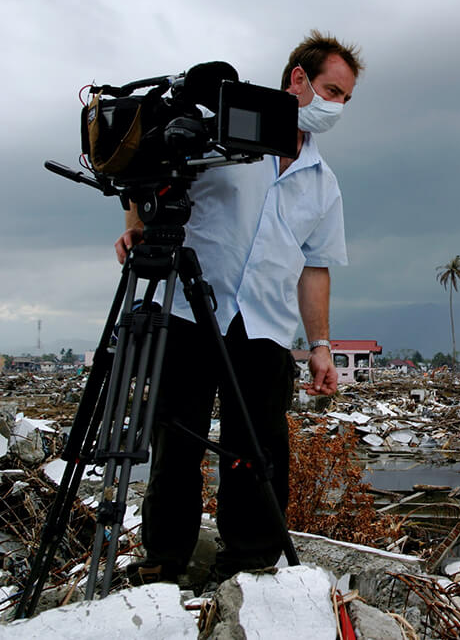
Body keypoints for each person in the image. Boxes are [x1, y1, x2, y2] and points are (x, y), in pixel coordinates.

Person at [113, 30, 362, 586]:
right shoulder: (222, 132)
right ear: (297, 79)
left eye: (345, 98)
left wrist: (320, 346)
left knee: (258, 448)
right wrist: (136, 229)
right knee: (176, 441)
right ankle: (164, 561)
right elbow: (148, 168)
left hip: (267, 326)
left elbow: (315, 266)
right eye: (331, 89)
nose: (337, 106)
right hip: (190, 310)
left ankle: (249, 564)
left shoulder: (324, 184)